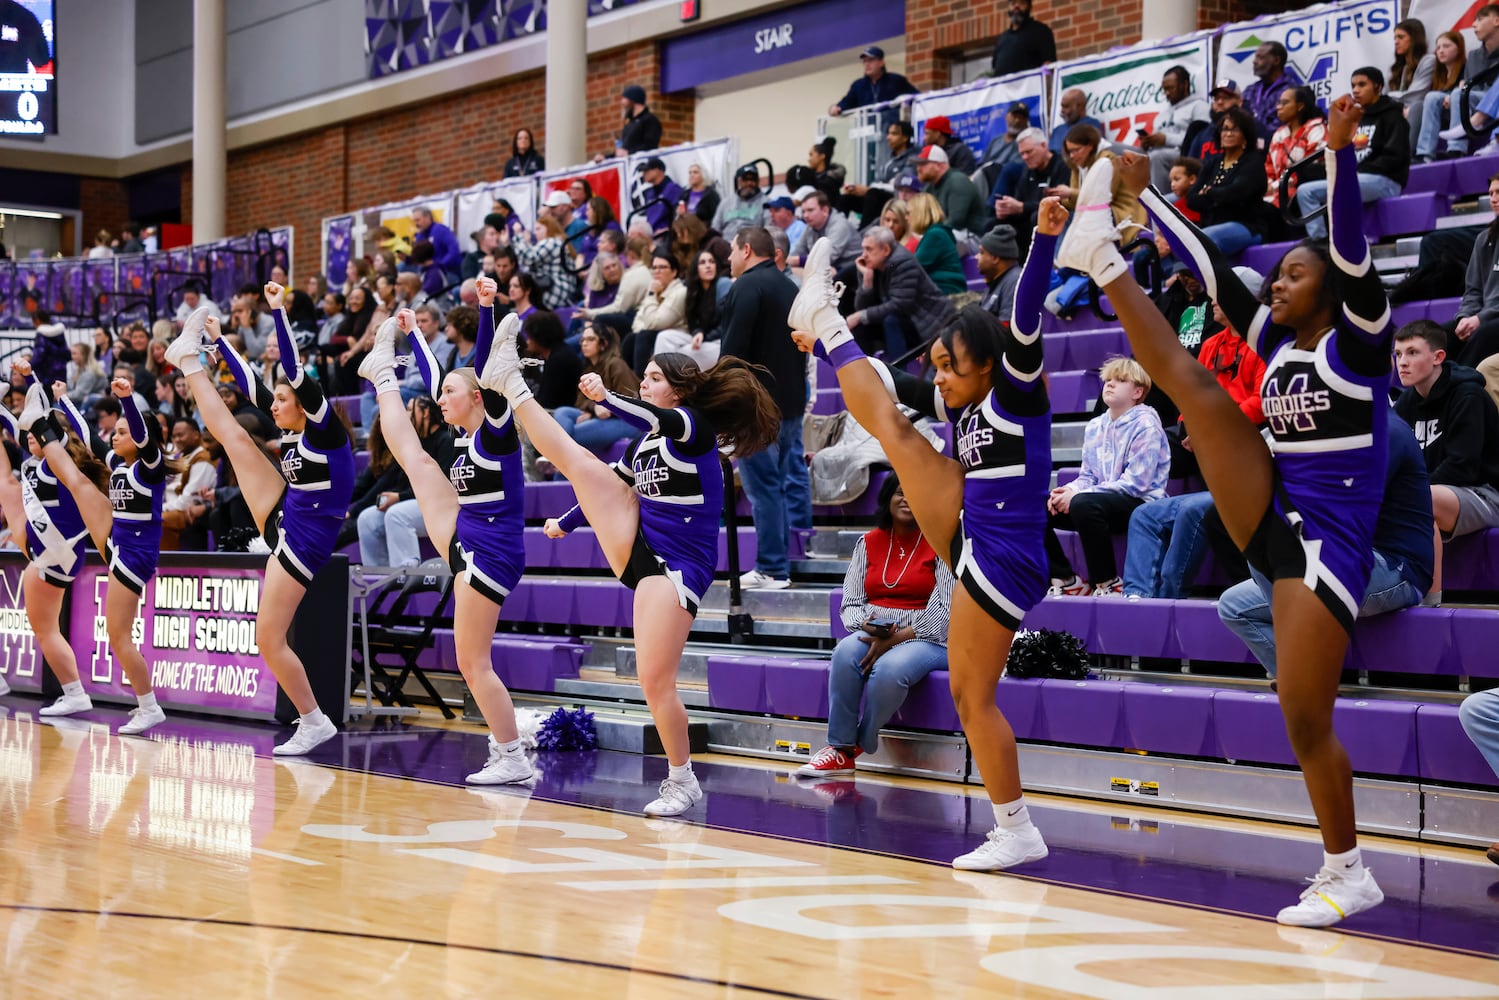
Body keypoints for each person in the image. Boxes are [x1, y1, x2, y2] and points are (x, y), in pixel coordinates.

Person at [1055, 95, 1393, 926]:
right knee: (1193, 381)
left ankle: (1347, 872)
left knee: (1305, 718)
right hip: (1270, 509)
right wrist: (1148, 200)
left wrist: (1340, 153)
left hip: (1326, 549)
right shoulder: (1276, 344)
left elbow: (1350, 255)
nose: (1278, 283)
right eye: (1278, 274)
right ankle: (1101, 258)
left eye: (1293, 275)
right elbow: (1211, 268)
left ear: (1331, 292)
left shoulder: (1361, 344)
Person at [787, 202, 1061, 870]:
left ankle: (1016, 829)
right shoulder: (963, 407)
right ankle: (821, 320)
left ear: (989, 365)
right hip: (974, 536)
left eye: (950, 365)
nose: (939, 376)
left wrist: (1044, 242)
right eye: (935, 365)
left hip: (1008, 554)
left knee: (972, 696)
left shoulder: (1018, 393)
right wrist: (825, 351)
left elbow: (1022, 318)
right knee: (891, 422)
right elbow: (884, 391)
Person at [490, 332, 778, 816]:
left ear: (679, 390)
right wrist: (566, 522)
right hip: (641, 548)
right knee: (582, 464)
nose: (645, 384)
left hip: (680, 565)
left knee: (654, 682)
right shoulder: (646, 444)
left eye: (654, 378)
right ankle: (513, 385)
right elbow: (611, 486)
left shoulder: (690, 426)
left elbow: (651, 417)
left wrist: (607, 397)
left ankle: (683, 781)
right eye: (643, 377)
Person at [356, 289, 537, 784]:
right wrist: (413, 333)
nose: (440, 399)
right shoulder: (463, 431)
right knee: (414, 461)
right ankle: (382, 376)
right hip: (467, 534)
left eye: (451, 394)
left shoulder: (497, 430)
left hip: (491, 550)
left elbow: (477, 370)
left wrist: (484, 309)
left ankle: (511, 755)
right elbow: (442, 375)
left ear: (477, 397)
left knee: (472, 661)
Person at [165, 286, 354, 756]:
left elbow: (293, 370)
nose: (273, 406)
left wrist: (276, 311)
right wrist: (220, 337)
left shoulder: (326, 431)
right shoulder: (292, 427)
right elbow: (253, 383)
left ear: (305, 403)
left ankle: (313, 721)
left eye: (283, 399)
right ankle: (189, 360)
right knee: (232, 436)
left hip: (303, 543)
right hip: (285, 515)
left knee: (268, 639)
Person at [21, 368, 183, 736]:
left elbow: (141, 434)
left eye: (124, 432)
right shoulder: (120, 467)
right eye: (118, 431)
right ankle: (43, 422)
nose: (117, 436)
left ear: (142, 441)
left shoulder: (149, 469)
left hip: (134, 555)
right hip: (116, 543)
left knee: (119, 637)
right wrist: (63, 401)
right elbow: (91, 438)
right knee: (77, 483)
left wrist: (126, 399)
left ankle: (149, 706)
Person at [1218, 408, 1434, 674]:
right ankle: (1302, 676)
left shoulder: (1387, 433)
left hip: (1396, 570)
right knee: (1234, 606)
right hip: (1350, 563)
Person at [1123, 270, 1267, 600]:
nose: (1212, 300)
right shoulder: (1212, 342)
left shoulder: (1262, 343)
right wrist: (1192, 424)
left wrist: (1212, 427)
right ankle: (1137, 601)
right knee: (1149, 462)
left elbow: (1263, 400)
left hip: (1243, 444)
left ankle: (1168, 601)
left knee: (1196, 508)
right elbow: (1191, 391)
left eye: (1221, 294)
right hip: (1204, 435)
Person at [798, 474, 954, 777]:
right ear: (887, 499)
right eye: (899, 492)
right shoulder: (868, 543)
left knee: (890, 671)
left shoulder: (941, 543)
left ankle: (861, 739)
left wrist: (894, 638)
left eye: (914, 493)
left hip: (930, 637)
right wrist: (868, 626)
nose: (906, 498)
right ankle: (839, 750)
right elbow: (851, 604)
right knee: (844, 653)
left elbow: (944, 614)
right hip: (879, 630)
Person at [0, 369, 105, 716]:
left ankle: (75, 694)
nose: (28, 439)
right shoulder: (40, 461)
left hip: (54, 553)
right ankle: (72, 693)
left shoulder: (58, 464)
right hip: (46, 548)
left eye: (35, 435)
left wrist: (35, 383)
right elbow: (27, 425)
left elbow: (42, 423)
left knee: (46, 631)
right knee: (6, 484)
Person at [718, 227, 809, 591]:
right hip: (791, 401)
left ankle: (773, 567)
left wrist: (723, 405)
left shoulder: (744, 287)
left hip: (757, 408)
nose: (728, 259)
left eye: (731, 251)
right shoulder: (790, 287)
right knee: (786, 481)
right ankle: (794, 550)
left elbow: (732, 355)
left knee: (764, 488)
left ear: (745, 249)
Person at [1044, 357, 1171, 596]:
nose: (1110, 384)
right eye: (1108, 380)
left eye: (1120, 380)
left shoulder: (1147, 425)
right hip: (1101, 503)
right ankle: (1067, 579)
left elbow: (1137, 483)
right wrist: (1066, 491)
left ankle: (1108, 583)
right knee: (1039, 505)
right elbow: (1087, 476)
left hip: (1142, 504)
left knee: (1083, 503)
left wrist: (1078, 495)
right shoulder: (1095, 426)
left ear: (1137, 391)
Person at [1393, 321, 1499, 600]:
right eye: (1398, 354)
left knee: (1421, 499)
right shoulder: (1405, 403)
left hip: (1486, 493)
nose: (1402, 362)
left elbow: (1462, 466)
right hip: (1440, 492)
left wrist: (1407, 491)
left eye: (1413, 353)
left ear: (1438, 357)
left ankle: (1430, 603)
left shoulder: (1468, 396)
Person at [1296, 68, 1409, 240]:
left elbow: (1395, 156)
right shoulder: (1354, 117)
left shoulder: (1393, 115)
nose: (1355, 90)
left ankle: (1328, 242)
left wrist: (1355, 170)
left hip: (1384, 181)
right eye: (1353, 85)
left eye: (1362, 85)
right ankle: (1321, 241)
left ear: (1378, 87)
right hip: (1358, 177)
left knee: (1323, 189)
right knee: (1305, 190)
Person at [849, 226, 957, 360]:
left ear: (886, 250)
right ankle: (864, 373)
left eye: (869, 249)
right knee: (861, 326)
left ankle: (898, 373)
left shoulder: (902, 262)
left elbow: (900, 304)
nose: (864, 255)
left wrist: (861, 315)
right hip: (909, 321)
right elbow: (861, 308)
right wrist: (867, 281)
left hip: (930, 324)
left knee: (890, 320)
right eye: (863, 248)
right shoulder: (871, 265)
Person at [1183, 107, 1271, 256]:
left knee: (1205, 238)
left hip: (1246, 225)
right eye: (1225, 129)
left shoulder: (1252, 162)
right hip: (1211, 225)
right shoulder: (1212, 163)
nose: (1228, 133)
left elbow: (1236, 194)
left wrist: (1209, 192)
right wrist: (1219, 197)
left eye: (1234, 130)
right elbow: (1191, 199)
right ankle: (1178, 278)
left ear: (1245, 136)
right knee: (1171, 245)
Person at [553, 322, 639, 454]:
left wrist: (608, 405)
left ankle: (555, 455)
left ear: (603, 344)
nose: (584, 343)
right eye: (582, 340)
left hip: (626, 421)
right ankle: (559, 457)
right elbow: (580, 401)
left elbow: (632, 400)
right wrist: (593, 408)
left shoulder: (616, 364)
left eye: (591, 339)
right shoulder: (588, 368)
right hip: (598, 416)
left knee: (573, 435)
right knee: (562, 412)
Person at [1056, 124, 1147, 244]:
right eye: (1070, 151)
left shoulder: (1108, 160)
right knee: (1060, 216)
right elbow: (1077, 203)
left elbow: (1104, 197)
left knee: (1079, 219)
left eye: (1076, 150)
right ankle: (1060, 261)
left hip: (1121, 212)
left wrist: (1071, 192)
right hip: (1093, 212)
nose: (1072, 155)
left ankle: (1065, 262)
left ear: (1090, 146)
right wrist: (1060, 200)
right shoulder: (1077, 166)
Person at [1446, 174, 1499, 367]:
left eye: (1498, 192)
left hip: (1490, 320)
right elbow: (1473, 290)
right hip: (1482, 317)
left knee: (1483, 335)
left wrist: (1480, 319)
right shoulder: (1484, 239)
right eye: (1491, 193)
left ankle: (1459, 389)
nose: (1493, 198)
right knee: (1439, 337)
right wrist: (1465, 317)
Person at [656, 250, 731, 367]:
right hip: (701, 340)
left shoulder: (723, 285)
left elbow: (726, 324)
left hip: (718, 341)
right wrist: (698, 332)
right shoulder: (693, 290)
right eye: (703, 262)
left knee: (686, 353)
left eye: (711, 262)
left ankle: (670, 377)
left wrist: (704, 336)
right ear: (696, 268)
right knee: (664, 337)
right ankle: (659, 375)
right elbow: (692, 323)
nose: (708, 266)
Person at [1145, 65, 1212, 190]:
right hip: (1156, 152)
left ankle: (1160, 203)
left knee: (1157, 157)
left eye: (1170, 88)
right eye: (1164, 89)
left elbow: (1201, 139)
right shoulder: (1161, 115)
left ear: (1185, 85)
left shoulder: (1199, 106)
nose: (1167, 93)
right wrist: (1148, 142)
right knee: (1124, 154)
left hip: (1184, 155)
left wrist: (1166, 139)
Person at [1265, 87, 1326, 210]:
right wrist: (1266, 186)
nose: (1278, 107)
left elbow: (1309, 171)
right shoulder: (1279, 134)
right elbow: (1269, 168)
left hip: (1301, 193)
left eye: (1284, 103)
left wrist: (1274, 187)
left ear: (1300, 106)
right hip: (1274, 193)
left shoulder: (1317, 130)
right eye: (1278, 103)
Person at [627, 252, 688, 374]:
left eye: (662, 267)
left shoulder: (680, 292)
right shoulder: (654, 291)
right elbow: (636, 322)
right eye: (654, 268)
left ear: (674, 272)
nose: (657, 271)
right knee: (631, 338)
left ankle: (641, 382)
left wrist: (651, 294)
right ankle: (632, 382)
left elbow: (656, 323)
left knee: (644, 336)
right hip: (653, 333)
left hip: (675, 336)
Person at [1414, 31, 1469, 161]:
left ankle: (1456, 149)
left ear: (1459, 48)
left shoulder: (1466, 67)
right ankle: (1425, 154)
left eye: (1446, 46)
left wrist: (1451, 96)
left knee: (1446, 95)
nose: (1441, 51)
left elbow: (1465, 88)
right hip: (1445, 115)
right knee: (1431, 97)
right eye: (1438, 47)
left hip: (1465, 110)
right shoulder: (1439, 74)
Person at [913, 144, 989, 236]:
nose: (918, 168)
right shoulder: (928, 188)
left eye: (923, 164)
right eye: (917, 164)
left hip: (972, 237)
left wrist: (928, 237)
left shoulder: (958, 181)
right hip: (949, 235)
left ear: (939, 165)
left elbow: (955, 222)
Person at [828, 45, 918, 117]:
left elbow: (915, 97)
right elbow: (847, 103)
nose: (867, 64)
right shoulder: (858, 85)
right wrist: (836, 108)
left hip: (890, 130)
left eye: (870, 60)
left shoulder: (896, 80)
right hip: (866, 131)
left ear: (881, 62)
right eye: (864, 61)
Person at [907, 193, 967, 296]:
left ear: (920, 213)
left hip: (947, 294)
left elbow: (910, 268)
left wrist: (889, 265)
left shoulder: (935, 235)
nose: (906, 218)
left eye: (909, 213)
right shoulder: (936, 233)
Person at [1388, 19, 1435, 145]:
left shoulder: (1429, 60)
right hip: (1405, 111)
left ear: (1414, 38)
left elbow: (1416, 95)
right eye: (1395, 38)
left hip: (1422, 111)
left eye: (1401, 37)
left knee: (1415, 107)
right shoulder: (1403, 69)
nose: (1396, 42)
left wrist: (1385, 99)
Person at [1242, 41, 1299, 137]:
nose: (1255, 61)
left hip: (1277, 145)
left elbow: (1282, 126)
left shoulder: (1291, 91)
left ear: (1276, 60)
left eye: (1261, 57)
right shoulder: (1250, 90)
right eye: (1256, 57)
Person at [990, 0, 1055, 78]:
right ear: (1008, 7)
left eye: (1021, 3)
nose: (1016, 6)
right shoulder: (1001, 39)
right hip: (1003, 89)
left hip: (1031, 88)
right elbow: (995, 69)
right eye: (1013, 3)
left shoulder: (1040, 31)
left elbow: (1049, 64)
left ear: (1029, 7)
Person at [711, 165, 769, 244]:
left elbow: (768, 230)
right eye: (745, 179)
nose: (749, 183)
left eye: (753, 179)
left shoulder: (766, 202)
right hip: (726, 245)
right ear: (739, 181)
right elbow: (715, 228)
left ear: (758, 181)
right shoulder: (726, 202)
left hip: (752, 245)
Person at [977, 226, 1022, 325]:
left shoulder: (1015, 281)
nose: (976, 257)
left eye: (981, 253)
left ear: (995, 258)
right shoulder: (995, 281)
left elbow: (1007, 330)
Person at [613, 84, 662, 158]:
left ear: (633, 99)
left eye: (624, 98)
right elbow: (624, 150)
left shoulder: (650, 120)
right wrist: (605, 157)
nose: (622, 102)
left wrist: (629, 152)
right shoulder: (629, 124)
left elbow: (650, 146)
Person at [1049, 88, 1103, 154]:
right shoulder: (1057, 130)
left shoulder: (1091, 126)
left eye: (1066, 106)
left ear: (1080, 106)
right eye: (1062, 107)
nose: (1062, 111)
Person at [676, 164, 721, 228]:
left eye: (695, 172)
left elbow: (717, 217)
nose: (692, 175)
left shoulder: (711, 195)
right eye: (690, 173)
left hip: (703, 231)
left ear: (703, 175)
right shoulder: (684, 195)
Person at [807, 138, 848, 204]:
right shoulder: (808, 176)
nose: (809, 159)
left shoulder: (830, 180)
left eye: (811, 155)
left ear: (822, 156)